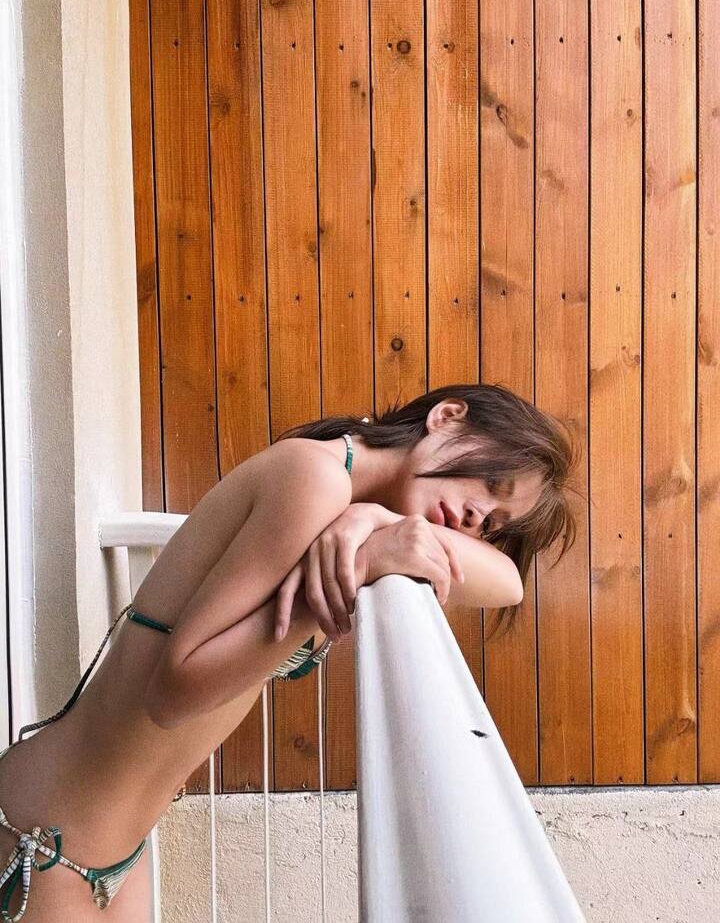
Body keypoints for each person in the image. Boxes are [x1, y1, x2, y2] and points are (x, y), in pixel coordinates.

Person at [0, 382, 578, 921]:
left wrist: (373, 517)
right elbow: (173, 694)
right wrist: (358, 568)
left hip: (113, 853)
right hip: (46, 841)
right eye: (491, 485)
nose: (477, 517)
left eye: (494, 522)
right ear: (446, 417)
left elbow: (509, 582)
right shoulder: (315, 477)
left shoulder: (347, 496)